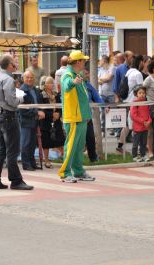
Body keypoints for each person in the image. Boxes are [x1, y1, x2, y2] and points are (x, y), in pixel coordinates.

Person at [0, 54, 33, 190]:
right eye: (14, 62)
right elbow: (11, 101)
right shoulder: (8, 79)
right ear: (10, 65)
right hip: (8, 116)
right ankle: (16, 181)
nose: (15, 64)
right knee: (12, 150)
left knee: (1, 149)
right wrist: (21, 99)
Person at [58, 50, 95, 183]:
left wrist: (87, 115)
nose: (85, 62)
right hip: (73, 117)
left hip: (81, 116)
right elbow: (67, 85)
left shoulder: (77, 74)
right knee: (71, 146)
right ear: (78, 62)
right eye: (83, 60)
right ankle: (65, 172)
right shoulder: (67, 75)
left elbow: (82, 96)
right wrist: (73, 82)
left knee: (79, 147)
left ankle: (78, 172)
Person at [116, 55, 144, 154]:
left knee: (127, 125)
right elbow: (141, 89)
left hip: (126, 101)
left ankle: (120, 146)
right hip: (134, 102)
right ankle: (138, 148)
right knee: (134, 125)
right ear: (140, 63)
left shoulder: (129, 72)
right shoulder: (138, 74)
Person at [19, 70, 45, 171]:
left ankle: (32, 163)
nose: (29, 79)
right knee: (25, 143)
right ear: (23, 79)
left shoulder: (35, 89)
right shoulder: (21, 91)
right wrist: (36, 113)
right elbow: (22, 110)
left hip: (35, 121)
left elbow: (40, 103)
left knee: (32, 144)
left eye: (31, 77)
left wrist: (41, 111)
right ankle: (26, 164)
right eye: (27, 77)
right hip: (26, 121)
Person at [39, 76, 65, 168]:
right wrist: (51, 115)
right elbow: (41, 108)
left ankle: (63, 157)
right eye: (48, 82)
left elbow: (60, 106)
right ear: (45, 84)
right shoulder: (41, 94)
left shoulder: (56, 94)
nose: (50, 84)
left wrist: (58, 114)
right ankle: (46, 160)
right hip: (45, 121)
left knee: (60, 139)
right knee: (46, 141)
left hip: (56, 121)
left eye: (52, 82)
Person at [84, 68, 104, 162]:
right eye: (85, 73)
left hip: (87, 118)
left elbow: (96, 97)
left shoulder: (88, 85)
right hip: (76, 118)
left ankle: (93, 158)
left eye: (87, 73)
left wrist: (105, 107)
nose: (87, 75)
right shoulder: (75, 85)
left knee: (90, 138)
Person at [130, 86, 151, 162]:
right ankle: (134, 156)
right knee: (135, 143)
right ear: (136, 94)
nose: (142, 94)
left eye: (143, 93)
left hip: (145, 127)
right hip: (137, 127)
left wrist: (149, 121)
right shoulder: (135, 103)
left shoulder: (146, 102)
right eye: (140, 93)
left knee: (144, 143)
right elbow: (133, 115)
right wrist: (143, 121)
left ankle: (143, 155)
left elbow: (149, 113)